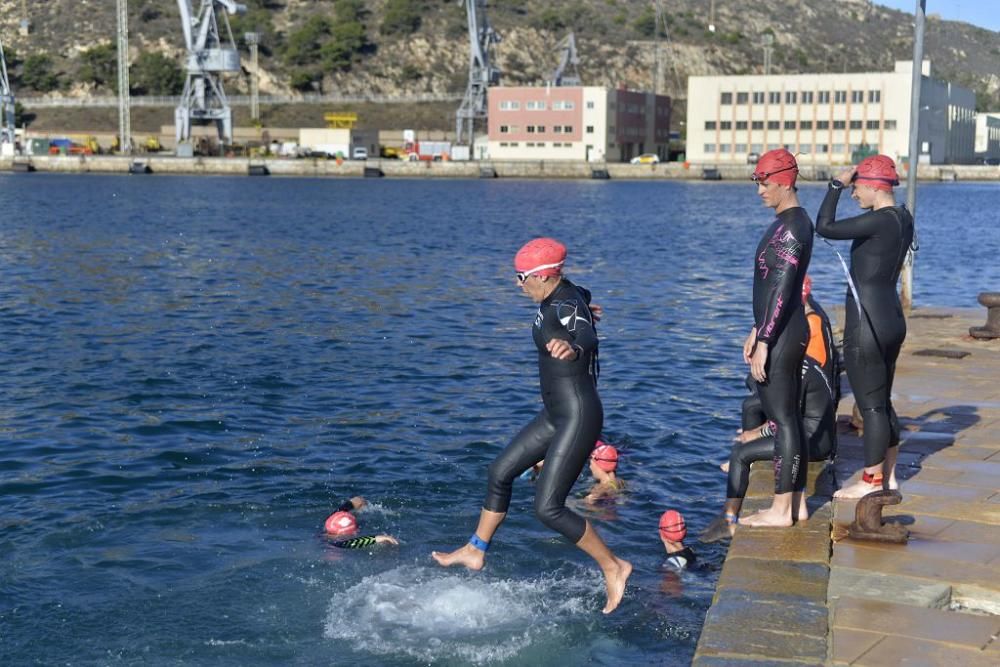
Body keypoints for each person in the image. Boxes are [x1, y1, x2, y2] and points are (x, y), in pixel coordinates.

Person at [431, 238, 632, 614]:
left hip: (578, 415)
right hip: (556, 415)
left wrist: (574, 345)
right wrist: (588, 308)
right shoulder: (563, 297)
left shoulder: (565, 302)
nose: (518, 284)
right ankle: (475, 549)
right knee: (500, 472)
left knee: (549, 508)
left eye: (522, 277)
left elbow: (584, 335)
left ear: (543, 276)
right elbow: (581, 298)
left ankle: (614, 566)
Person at [702, 280, 838, 542]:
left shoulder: (796, 372)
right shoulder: (802, 357)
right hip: (816, 434)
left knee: (741, 453)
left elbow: (786, 419)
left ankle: (729, 519)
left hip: (814, 442)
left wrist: (754, 434)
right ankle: (798, 505)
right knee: (756, 406)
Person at [816, 155, 914, 499]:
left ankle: (870, 481)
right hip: (892, 320)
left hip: (867, 324)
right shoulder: (903, 218)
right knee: (882, 401)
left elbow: (824, 226)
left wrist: (835, 187)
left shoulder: (878, 222)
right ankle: (888, 476)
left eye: (858, 188)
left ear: (874, 186)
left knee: (870, 406)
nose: (854, 194)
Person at [739, 149, 814, 528]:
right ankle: (796, 503)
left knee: (783, 419)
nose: (760, 191)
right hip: (778, 328)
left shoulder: (794, 226)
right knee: (787, 418)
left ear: (785, 181)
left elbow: (784, 286)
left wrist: (766, 338)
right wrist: (757, 328)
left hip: (783, 333)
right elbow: (772, 286)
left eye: (764, 184)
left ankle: (781, 509)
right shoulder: (788, 222)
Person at [323, 496, 399, 548]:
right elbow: (352, 543)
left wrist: (358, 501)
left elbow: (357, 500)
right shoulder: (333, 543)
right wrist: (377, 538)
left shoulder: (330, 521)